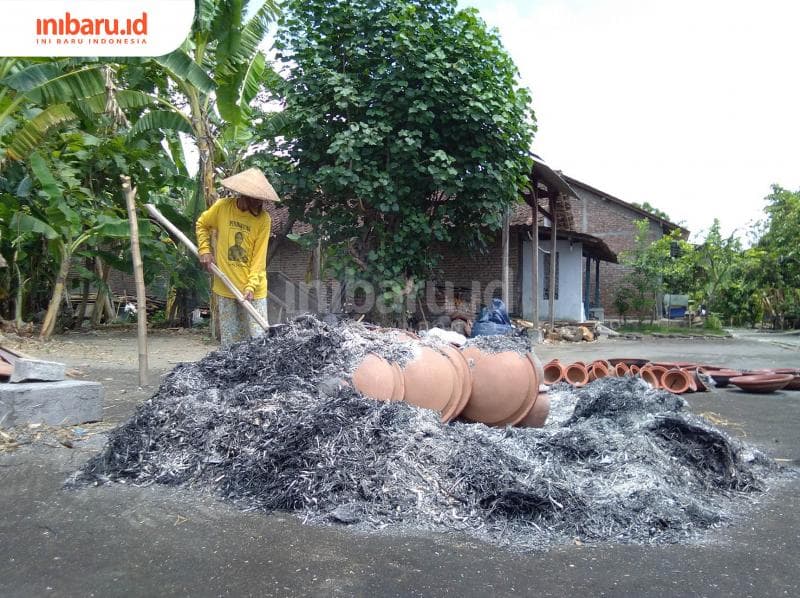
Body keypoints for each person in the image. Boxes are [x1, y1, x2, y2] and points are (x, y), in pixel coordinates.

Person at [196, 168, 280, 346]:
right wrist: (204, 250)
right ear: (244, 195)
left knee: (259, 341)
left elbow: (259, 258)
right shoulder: (222, 207)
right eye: (256, 199)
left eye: (261, 200)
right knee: (231, 344)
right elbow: (202, 224)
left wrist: (250, 286)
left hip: (253, 290)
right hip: (225, 286)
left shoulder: (264, 220)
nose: (259, 203)